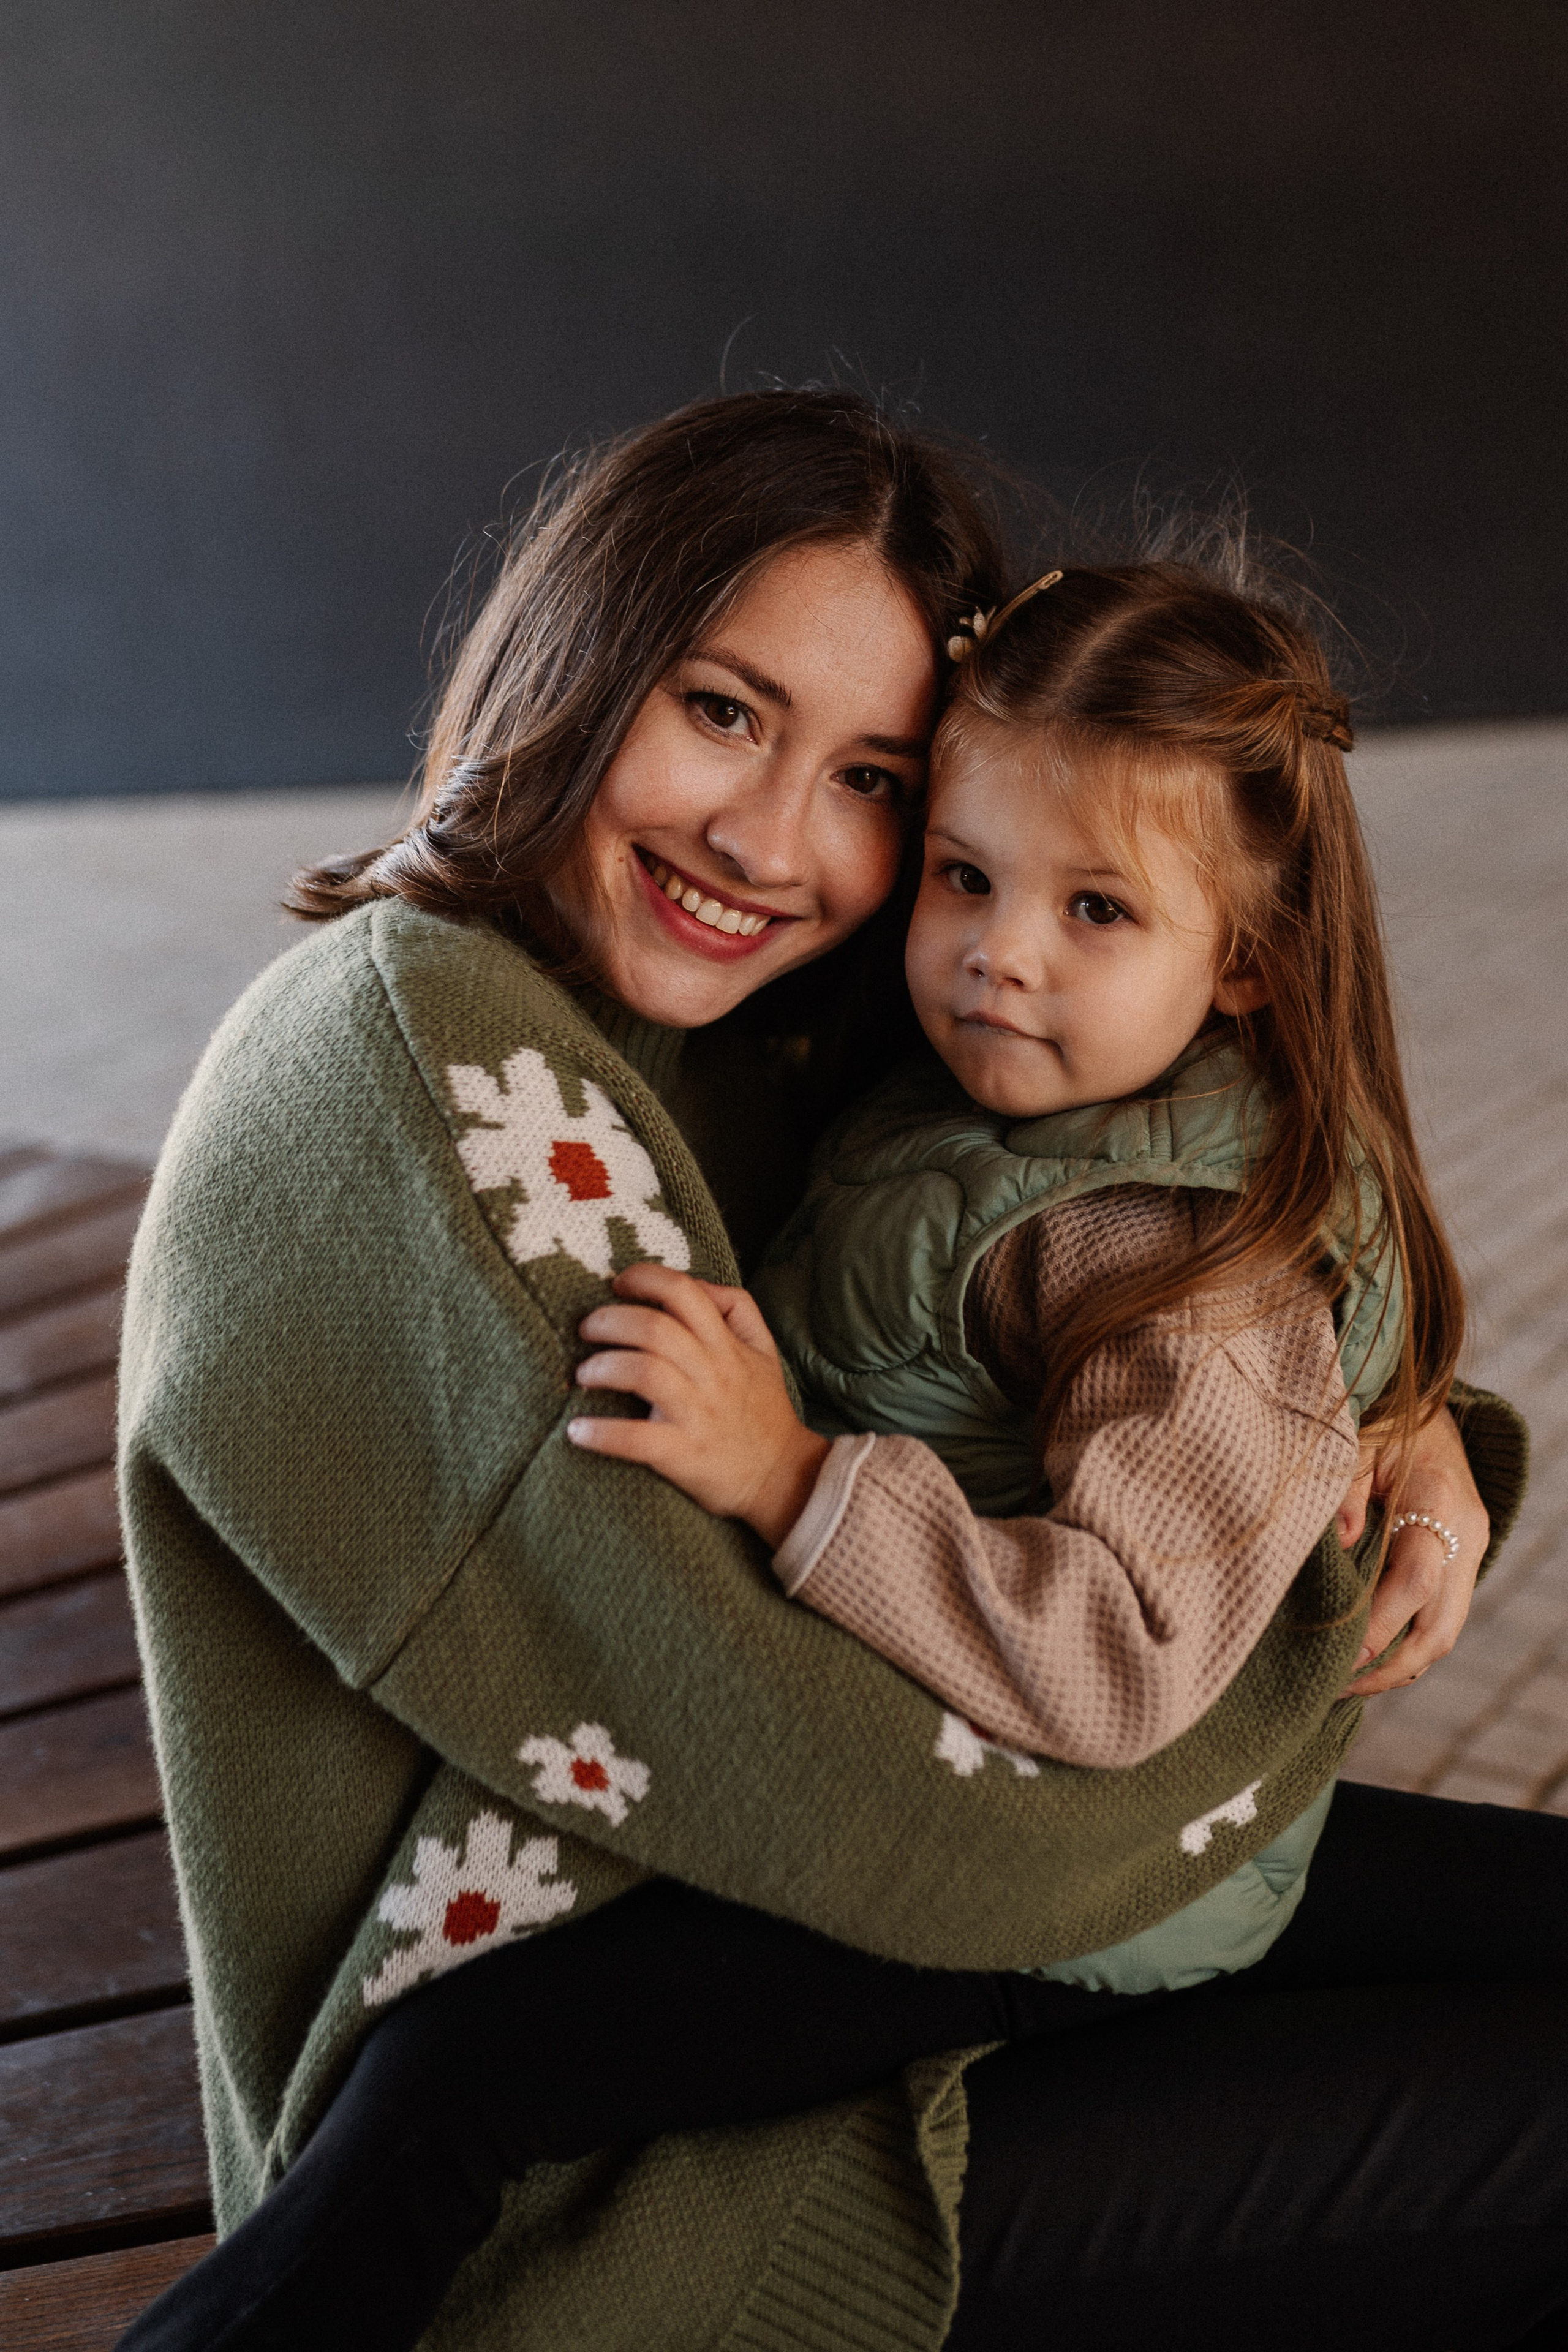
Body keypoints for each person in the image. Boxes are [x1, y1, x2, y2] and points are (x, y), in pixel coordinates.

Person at [116, 392, 1550, 2352]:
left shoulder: (774, 1026)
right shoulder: (435, 1070)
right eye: (722, 708)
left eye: (872, 773)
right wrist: (1282, 1620)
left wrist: (1391, 1438)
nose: (776, 839)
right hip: (652, 2172)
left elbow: (1149, 1354)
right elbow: (833, 1751)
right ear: (585, 649)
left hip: (899, 1912)